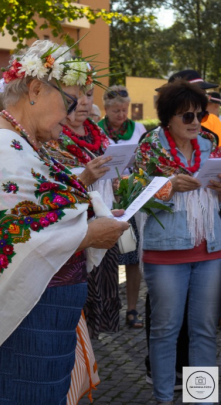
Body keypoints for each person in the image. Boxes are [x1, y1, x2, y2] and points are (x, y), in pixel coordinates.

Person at [0, 40, 129, 405]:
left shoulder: (24, 143)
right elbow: (7, 237)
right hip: (21, 323)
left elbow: (38, 215)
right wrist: (89, 233)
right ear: (34, 89)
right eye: (72, 100)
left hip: (42, 312)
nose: (78, 111)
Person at [135, 79, 221, 405]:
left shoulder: (211, 143)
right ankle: (163, 399)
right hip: (166, 251)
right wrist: (168, 187)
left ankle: (202, 399)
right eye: (187, 117)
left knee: (204, 330)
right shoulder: (149, 147)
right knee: (165, 330)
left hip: (210, 248)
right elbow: (134, 197)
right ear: (169, 117)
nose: (196, 123)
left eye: (200, 114)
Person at [46, 86, 120, 338]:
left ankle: (93, 359)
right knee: (78, 310)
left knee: (103, 287)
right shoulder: (51, 136)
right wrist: (86, 178)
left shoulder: (96, 131)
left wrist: (119, 180)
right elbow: (52, 192)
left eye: (88, 94)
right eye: (75, 96)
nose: (84, 102)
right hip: (75, 230)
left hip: (103, 220)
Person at [98, 85, 146, 328]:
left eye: (124, 109)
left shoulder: (138, 129)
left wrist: (131, 178)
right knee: (106, 255)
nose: (121, 114)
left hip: (130, 197)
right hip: (105, 197)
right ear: (106, 109)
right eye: (116, 110)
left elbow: (146, 162)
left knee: (132, 254)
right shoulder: (96, 131)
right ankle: (107, 307)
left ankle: (133, 309)